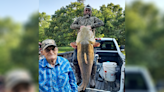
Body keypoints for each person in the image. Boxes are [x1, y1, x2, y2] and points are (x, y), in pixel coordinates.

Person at [70, 5, 104, 88]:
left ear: (91, 12)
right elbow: (72, 26)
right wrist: (79, 26)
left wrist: (91, 26)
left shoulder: (94, 19)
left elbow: (101, 23)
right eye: (86, 10)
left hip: (90, 44)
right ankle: (78, 77)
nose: (87, 11)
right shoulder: (79, 19)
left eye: (89, 10)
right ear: (84, 11)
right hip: (80, 43)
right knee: (75, 60)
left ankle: (92, 79)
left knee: (93, 61)